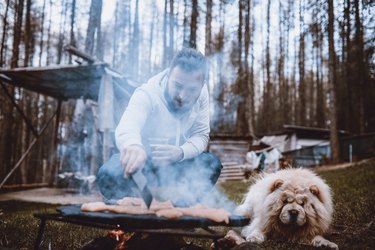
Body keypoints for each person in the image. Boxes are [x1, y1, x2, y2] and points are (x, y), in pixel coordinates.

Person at [96, 48, 223, 206]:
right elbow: (128, 125)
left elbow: (201, 135)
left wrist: (181, 152)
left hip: (178, 161)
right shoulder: (147, 93)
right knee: (107, 174)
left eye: (192, 90)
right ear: (169, 75)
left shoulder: (203, 94)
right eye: (177, 86)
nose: (183, 96)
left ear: (202, 84)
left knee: (211, 163)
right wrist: (133, 146)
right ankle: (135, 207)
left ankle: (181, 210)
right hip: (143, 163)